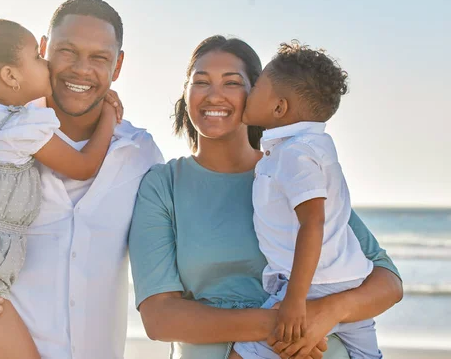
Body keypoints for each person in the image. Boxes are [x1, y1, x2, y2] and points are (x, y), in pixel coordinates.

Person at [0, 0, 163, 359]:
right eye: (67, 51)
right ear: (43, 49)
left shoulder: (140, 154)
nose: (81, 70)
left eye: (99, 57)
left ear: (118, 66)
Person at [128, 35, 403, 359]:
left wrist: (326, 313)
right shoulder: (163, 186)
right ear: (185, 94)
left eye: (231, 83)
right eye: (200, 81)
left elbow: (387, 281)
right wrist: (284, 323)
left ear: (261, 94)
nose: (214, 94)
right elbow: (160, 319)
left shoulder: (291, 171)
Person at [231, 41, 380, 359]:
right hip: (349, 278)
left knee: (243, 354)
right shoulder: (315, 144)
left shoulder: (294, 153)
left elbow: (313, 222)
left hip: (313, 286)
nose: (248, 92)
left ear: (279, 108)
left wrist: (296, 301)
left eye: (256, 86)